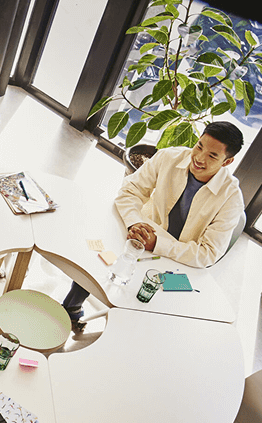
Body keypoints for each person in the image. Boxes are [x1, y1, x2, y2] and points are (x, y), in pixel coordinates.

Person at [63, 121, 246, 329]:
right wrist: (135, 223)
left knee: (152, 306)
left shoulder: (232, 199)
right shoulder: (169, 157)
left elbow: (208, 254)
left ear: (227, 162)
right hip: (142, 233)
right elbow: (129, 191)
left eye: (212, 156)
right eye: (199, 146)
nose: (199, 158)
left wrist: (157, 244)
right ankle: (71, 309)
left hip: (180, 261)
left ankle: (126, 330)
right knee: (100, 258)